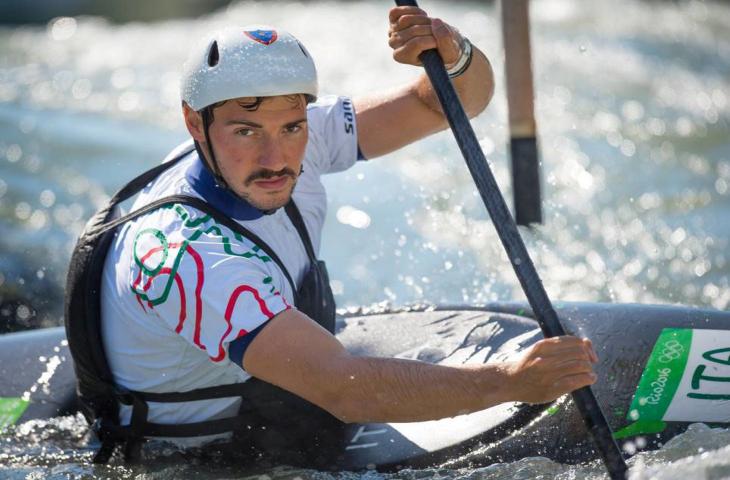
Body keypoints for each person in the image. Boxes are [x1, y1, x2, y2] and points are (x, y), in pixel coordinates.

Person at [72, 5, 598, 465]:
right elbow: (340, 388)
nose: (276, 158)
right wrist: (508, 384)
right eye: (246, 132)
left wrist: (451, 53)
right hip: (206, 460)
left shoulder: (303, 136)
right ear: (194, 123)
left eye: (291, 127)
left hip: (268, 403)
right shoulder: (190, 258)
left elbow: (453, 102)